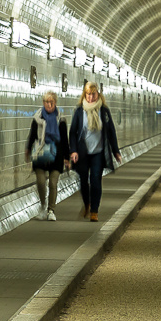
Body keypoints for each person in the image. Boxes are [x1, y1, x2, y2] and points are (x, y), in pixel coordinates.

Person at [69, 81, 121, 221]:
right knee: (84, 181)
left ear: (98, 94)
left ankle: (94, 211)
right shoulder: (80, 111)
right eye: (88, 94)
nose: (91, 97)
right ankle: (87, 203)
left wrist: (116, 151)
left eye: (93, 94)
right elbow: (73, 132)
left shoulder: (104, 110)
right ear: (84, 95)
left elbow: (111, 131)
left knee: (96, 180)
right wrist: (73, 151)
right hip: (83, 152)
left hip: (98, 152)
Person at [25, 91, 69, 220]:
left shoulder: (61, 119)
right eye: (46, 102)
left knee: (53, 184)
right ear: (43, 103)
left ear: (55, 103)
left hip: (56, 155)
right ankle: (43, 205)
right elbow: (32, 135)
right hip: (40, 154)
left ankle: (51, 210)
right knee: (41, 182)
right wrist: (28, 150)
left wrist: (67, 157)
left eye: (51, 102)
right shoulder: (37, 118)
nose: (49, 105)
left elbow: (64, 140)